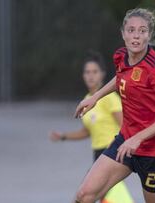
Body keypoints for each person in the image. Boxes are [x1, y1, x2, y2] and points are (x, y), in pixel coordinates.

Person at [74, 8, 155, 203]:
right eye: (131, 30)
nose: (136, 35)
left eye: (142, 31)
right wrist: (95, 97)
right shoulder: (121, 56)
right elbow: (122, 78)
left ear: (149, 35)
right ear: (123, 33)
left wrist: (138, 139)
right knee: (84, 195)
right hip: (124, 142)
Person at [49, 51, 133, 203]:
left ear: (102, 74)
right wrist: (63, 136)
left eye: (95, 72)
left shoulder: (109, 98)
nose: (91, 76)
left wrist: (116, 148)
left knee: (84, 197)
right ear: (83, 76)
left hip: (111, 156)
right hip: (98, 156)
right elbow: (87, 131)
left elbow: (126, 126)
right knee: (91, 197)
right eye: (87, 72)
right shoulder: (87, 100)